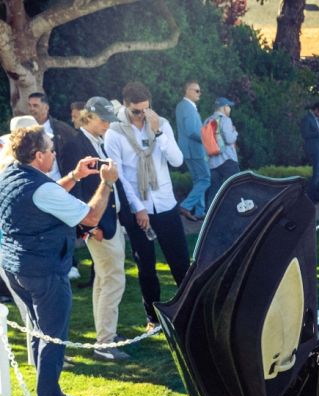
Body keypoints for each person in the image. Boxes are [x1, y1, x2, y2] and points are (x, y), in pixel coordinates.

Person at [0, 126, 118, 396]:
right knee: (53, 337)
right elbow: (90, 217)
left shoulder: (9, 174)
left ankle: (50, 393)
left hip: (15, 267)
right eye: (50, 150)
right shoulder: (42, 188)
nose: (54, 154)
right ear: (38, 155)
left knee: (38, 332)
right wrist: (106, 183)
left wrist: (75, 176)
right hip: (43, 270)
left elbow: (46, 197)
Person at [104, 80, 189, 330]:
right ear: (125, 106)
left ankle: (189, 310)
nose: (141, 115)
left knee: (180, 262)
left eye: (145, 109)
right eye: (136, 111)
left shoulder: (160, 124)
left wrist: (158, 133)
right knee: (147, 267)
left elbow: (177, 160)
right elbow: (119, 176)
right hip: (138, 207)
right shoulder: (114, 133)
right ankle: (152, 318)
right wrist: (138, 208)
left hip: (165, 204)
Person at [61, 97, 128, 361]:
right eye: (103, 119)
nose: (107, 124)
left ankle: (106, 335)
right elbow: (74, 191)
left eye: (110, 119)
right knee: (113, 280)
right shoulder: (74, 145)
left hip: (110, 221)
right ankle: (105, 343)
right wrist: (88, 229)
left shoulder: (97, 141)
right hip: (98, 225)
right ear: (87, 117)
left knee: (104, 279)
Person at [175, 80, 209, 220]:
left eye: (200, 91)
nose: (199, 93)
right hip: (194, 150)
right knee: (206, 179)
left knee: (198, 180)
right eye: (196, 90)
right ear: (187, 91)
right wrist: (207, 139)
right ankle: (186, 206)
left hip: (188, 150)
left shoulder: (181, 106)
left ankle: (200, 212)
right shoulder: (188, 107)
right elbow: (191, 131)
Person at [27, 92, 77, 182]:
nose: (31, 109)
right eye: (29, 106)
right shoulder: (25, 131)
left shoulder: (62, 129)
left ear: (46, 107)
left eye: (35, 106)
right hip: (34, 182)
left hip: (60, 182)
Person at [204, 97, 239, 209]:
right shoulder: (225, 120)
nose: (230, 109)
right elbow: (229, 139)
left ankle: (210, 214)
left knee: (214, 191)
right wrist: (235, 132)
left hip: (212, 163)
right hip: (227, 160)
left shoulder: (207, 121)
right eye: (228, 106)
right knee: (237, 186)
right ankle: (239, 211)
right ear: (223, 107)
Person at [300, 102, 319, 202]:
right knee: (317, 174)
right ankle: (310, 197)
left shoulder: (317, 119)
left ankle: (318, 196)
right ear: (316, 109)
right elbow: (305, 134)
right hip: (314, 150)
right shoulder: (307, 119)